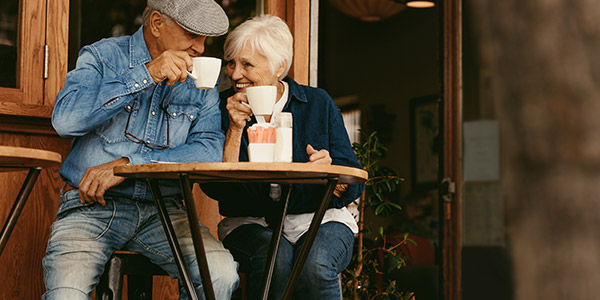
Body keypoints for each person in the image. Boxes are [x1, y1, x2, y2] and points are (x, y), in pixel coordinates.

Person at [42, 0, 239, 299]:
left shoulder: (202, 80)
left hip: (166, 212)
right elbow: (65, 120)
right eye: (191, 35)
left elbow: (209, 150)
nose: (200, 48)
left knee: (221, 276)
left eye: (204, 39)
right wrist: (146, 74)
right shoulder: (103, 55)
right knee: (65, 295)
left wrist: (129, 164)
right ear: (157, 23)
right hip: (91, 208)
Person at [201, 14, 364, 300]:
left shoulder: (316, 103)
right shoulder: (219, 107)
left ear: (279, 66)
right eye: (231, 63)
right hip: (250, 223)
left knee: (314, 266)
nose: (235, 74)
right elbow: (215, 186)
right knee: (275, 260)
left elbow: (352, 177)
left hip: (320, 219)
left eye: (247, 64)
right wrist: (235, 130)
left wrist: (329, 171)